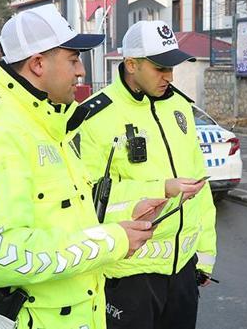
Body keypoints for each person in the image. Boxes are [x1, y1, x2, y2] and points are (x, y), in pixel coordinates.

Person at [0, 4, 161, 329]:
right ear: (38, 63)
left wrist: (123, 217)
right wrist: (112, 241)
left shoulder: (45, 123)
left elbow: (59, 216)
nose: (81, 71)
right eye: (73, 59)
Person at [78, 20, 216, 329]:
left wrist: (205, 255)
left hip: (183, 272)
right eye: (159, 68)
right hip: (129, 277)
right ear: (131, 64)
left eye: (172, 67)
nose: (169, 76)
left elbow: (200, 184)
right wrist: (160, 188)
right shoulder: (94, 117)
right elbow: (85, 199)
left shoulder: (180, 106)